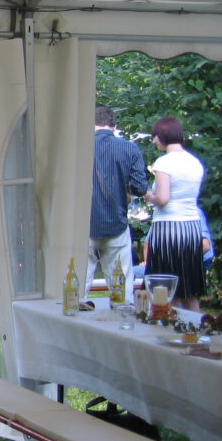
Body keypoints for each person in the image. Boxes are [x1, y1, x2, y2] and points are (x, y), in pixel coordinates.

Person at [85, 106, 148, 304]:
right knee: (121, 290)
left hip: (83, 225)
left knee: (77, 289)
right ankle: (122, 326)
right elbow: (140, 187)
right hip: (116, 224)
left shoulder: (78, 148)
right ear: (114, 126)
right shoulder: (129, 148)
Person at [143, 116, 205, 311]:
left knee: (161, 287)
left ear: (162, 136)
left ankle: (157, 331)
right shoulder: (195, 162)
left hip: (168, 229)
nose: (153, 141)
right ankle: (195, 330)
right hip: (192, 228)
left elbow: (162, 199)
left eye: (154, 136)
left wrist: (147, 195)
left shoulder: (164, 163)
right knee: (189, 289)